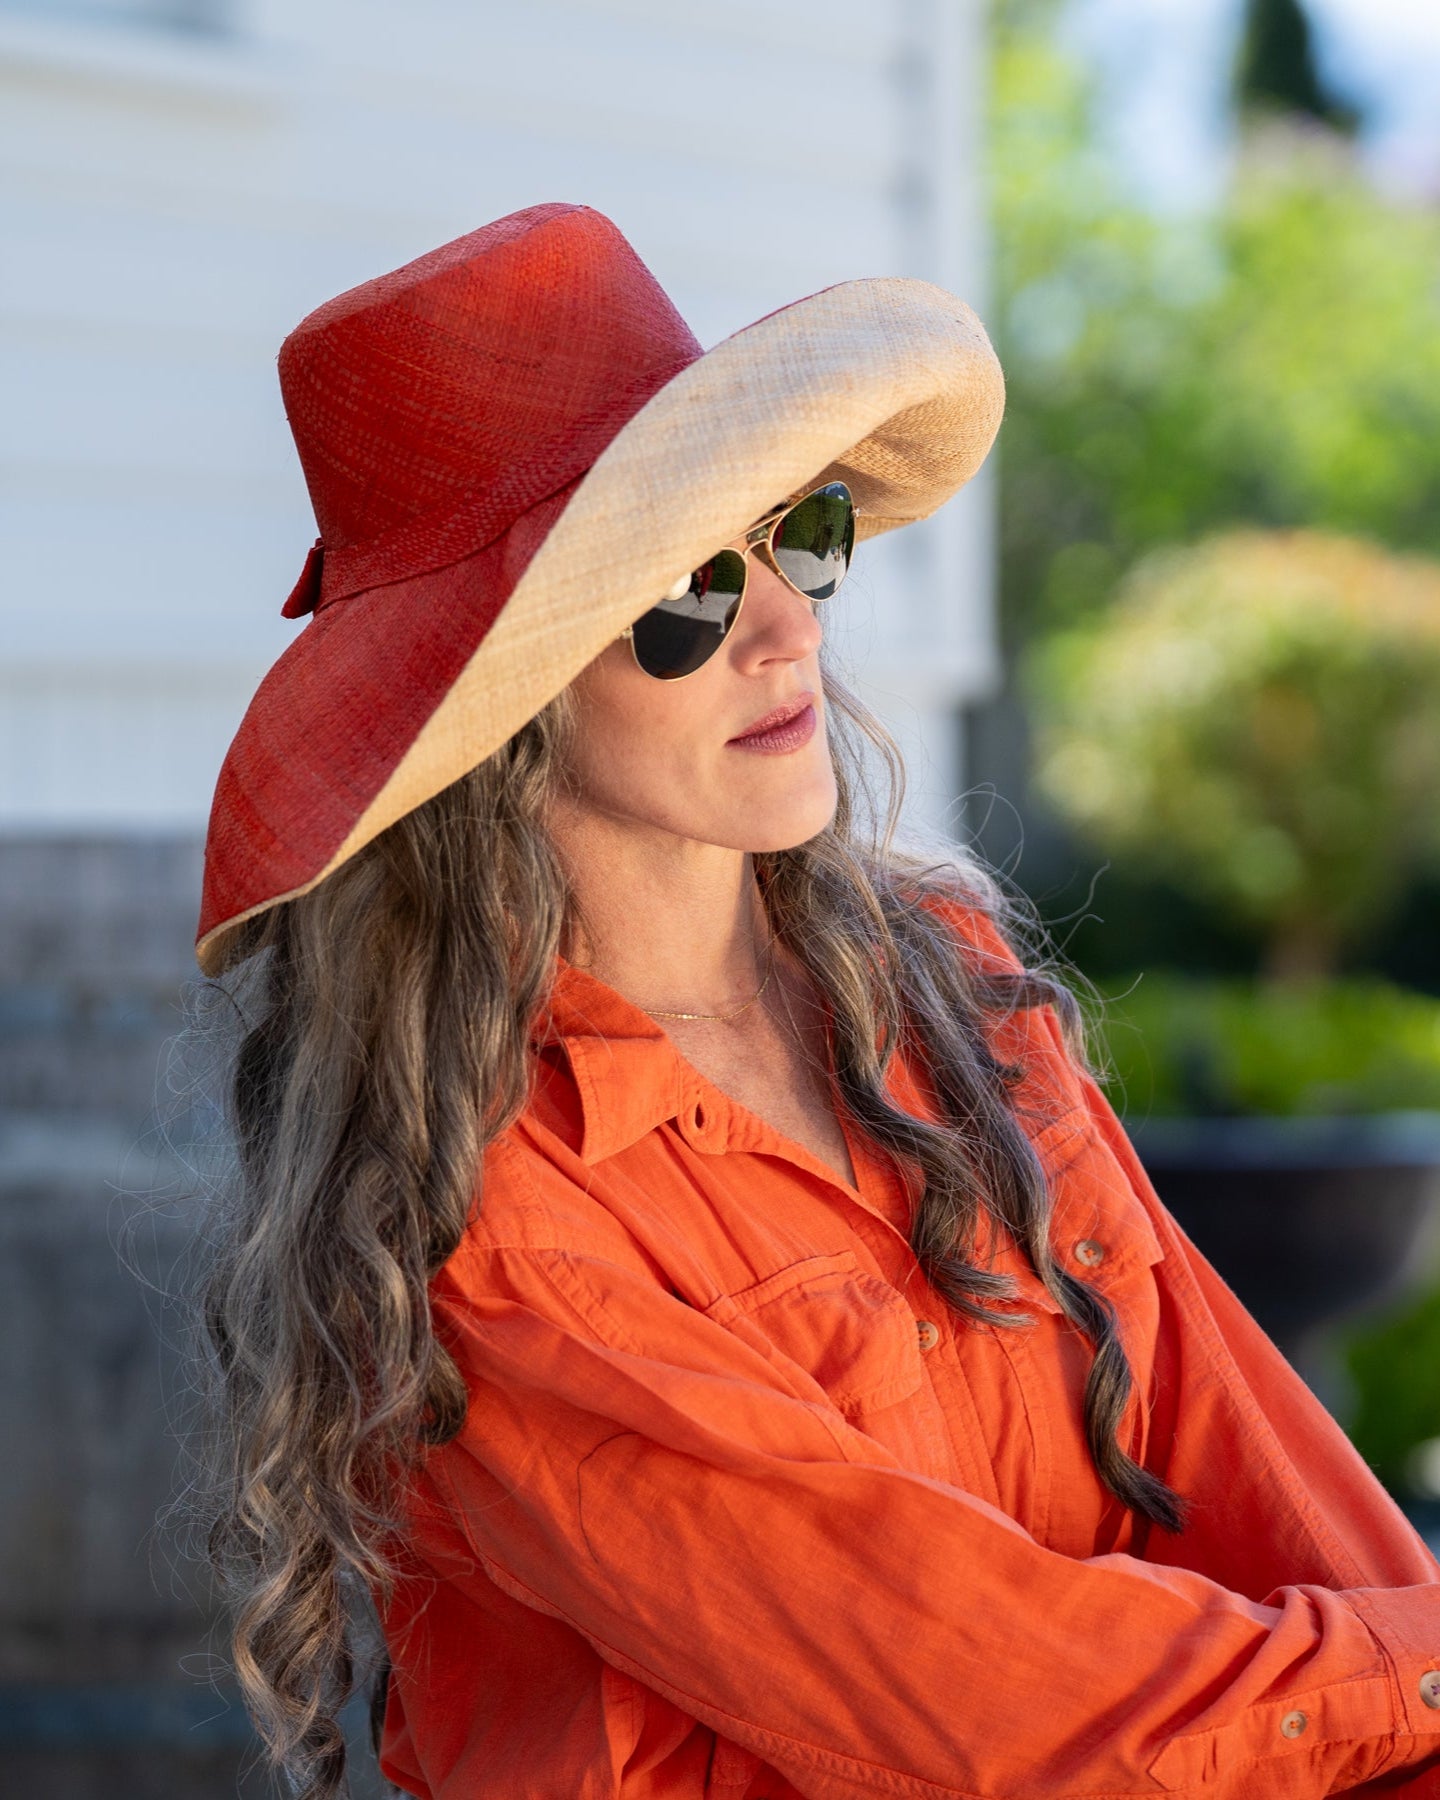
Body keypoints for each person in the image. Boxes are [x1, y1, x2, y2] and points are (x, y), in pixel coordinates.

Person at [194, 202, 1440, 1800]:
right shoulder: (493, 1222)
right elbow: (977, 1687)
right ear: (492, 712)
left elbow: (1250, 1471)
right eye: (687, 593)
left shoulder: (952, 994)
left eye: (803, 534)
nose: (788, 626)